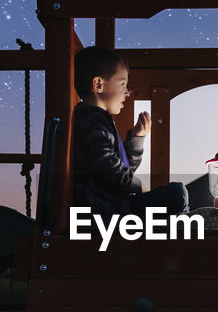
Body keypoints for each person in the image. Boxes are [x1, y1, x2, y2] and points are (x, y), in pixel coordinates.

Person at [71, 45, 190, 217]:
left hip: (112, 207)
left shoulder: (97, 119)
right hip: (104, 213)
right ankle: (181, 220)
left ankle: (178, 219)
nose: (127, 92)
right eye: (122, 84)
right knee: (177, 192)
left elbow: (120, 169)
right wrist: (138, 186)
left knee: (175, 194)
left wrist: (136, 139)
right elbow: (109, 170)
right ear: (98, 85)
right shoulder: (91, 121)